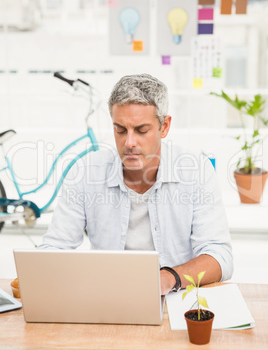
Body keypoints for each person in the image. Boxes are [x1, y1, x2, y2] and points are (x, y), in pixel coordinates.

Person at [40, 73, 233, 294]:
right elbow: (54, 249)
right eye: (120, 130)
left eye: (141, 130)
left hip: (176, 298)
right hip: (107, 298)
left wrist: (170, 277)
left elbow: (220, 257)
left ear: (164, 126)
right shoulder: (85, 173)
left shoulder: (196, 172)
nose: (129, 142)